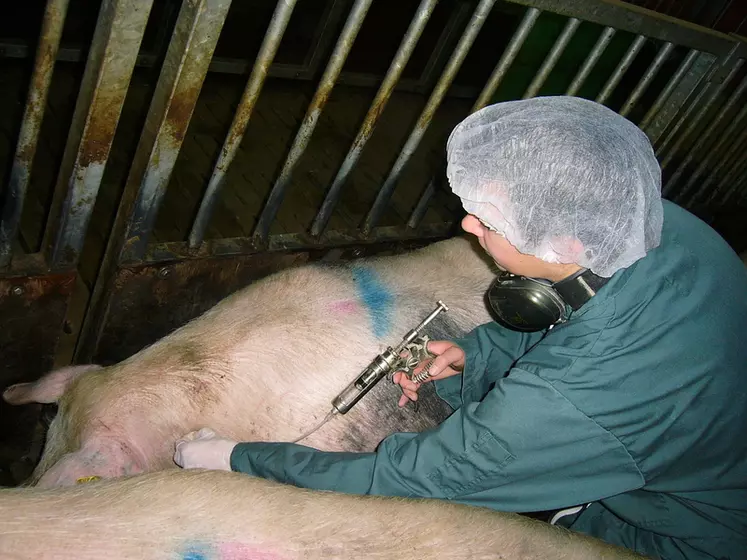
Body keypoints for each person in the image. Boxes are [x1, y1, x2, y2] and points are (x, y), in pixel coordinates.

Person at [173, 96, 747, 560]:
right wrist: (480, 353)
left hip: (685, 536)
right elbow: (578, 307)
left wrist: (237, 458)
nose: (467, 223)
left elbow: (407, 479)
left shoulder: (573, 400)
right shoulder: (654, 221)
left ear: (564, 243)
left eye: (489, 220)